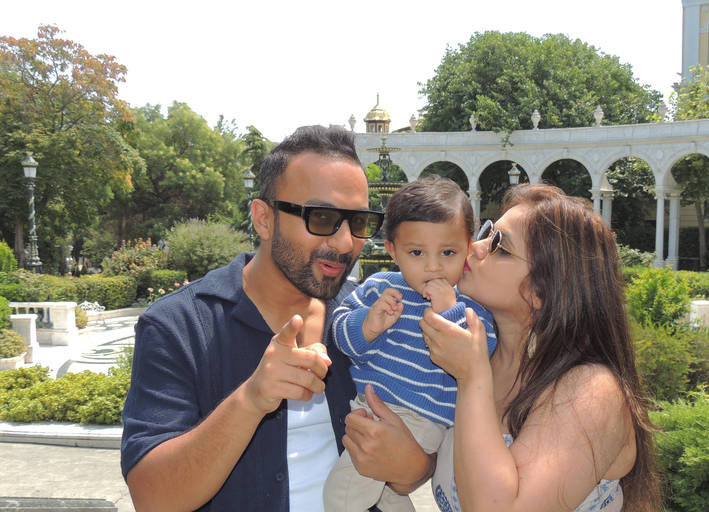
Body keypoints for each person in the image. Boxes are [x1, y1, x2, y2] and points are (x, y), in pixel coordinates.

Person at [120, 125, 430, 512]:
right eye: (321, 217)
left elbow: (413, 458)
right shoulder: (178, 326)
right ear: (264, 219)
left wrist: (416, 466)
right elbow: (153, 498)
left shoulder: (371, 317)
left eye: (358, 222)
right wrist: (251, 399)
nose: (345, 242)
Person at [420, 184, 662, 512]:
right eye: (487, 232)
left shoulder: (591, 392)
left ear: (541, 292)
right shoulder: (479, 357)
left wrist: (472, 378)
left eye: (499, 246)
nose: (473, 247)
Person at [324, 176, 497, 512]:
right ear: (393, 251)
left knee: (339, 496)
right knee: (390, 499)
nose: (433, 266)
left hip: (421, 417)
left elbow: (482, 351)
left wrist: (450, 311)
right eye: (416, 252)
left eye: (448, 252)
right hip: (368, 408)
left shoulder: (471, 305)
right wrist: (368, 325)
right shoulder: (380, 289)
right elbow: (342, 338)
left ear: (468, 248)